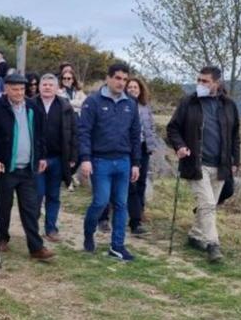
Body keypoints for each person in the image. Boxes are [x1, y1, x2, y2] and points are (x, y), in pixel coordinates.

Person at [166, 66, 241, 263]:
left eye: (205, 81)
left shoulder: (229, 106)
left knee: (209, 205)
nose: (200, 84)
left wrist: (235, 160)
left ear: (217, 83)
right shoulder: (188, 102)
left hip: (221, 165)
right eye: (199, 80)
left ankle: (195, 236)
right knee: (207, 204)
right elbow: (173, 128)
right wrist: (180, 146)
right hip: (196, 164)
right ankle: (213, 245)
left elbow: (235, 136)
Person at [0, 73, 55, 261]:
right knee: (3, 206)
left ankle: (36, 248)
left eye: (22, 89)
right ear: (6, 89)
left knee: (31, 209)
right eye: (15, 89)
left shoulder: (33, 107)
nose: (19, 93)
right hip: (5, 167)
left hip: (28, 169)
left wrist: (42, 156)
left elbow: (40, 135)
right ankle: (2, 237)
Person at [78, 63, 141, 262]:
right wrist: (85, 159)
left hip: (123, 160)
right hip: (100, 161)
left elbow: (135, 134)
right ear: (108, 78)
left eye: (124, 79)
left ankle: (117, 246)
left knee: (121, 205)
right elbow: (84, 132)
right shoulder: (93, 102)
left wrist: (136, 163)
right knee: (100, 201)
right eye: (117, 78)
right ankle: (88, 234)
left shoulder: (131, 104)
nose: (121, 82)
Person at [96, 76, 160, 236]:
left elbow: (151, 127)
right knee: (121, 185)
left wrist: (151, 146)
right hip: (125, 149)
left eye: (135, 88)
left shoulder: (145, 107)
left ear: (141, 90)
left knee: (140, 184)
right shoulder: (122, 105)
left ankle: (137, 216)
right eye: (129, 87)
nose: (132, 90)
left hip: (143, 149)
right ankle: (106, 218)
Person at [35, 74, 78, 242]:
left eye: (50, 85)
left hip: (58, 158)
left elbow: (74, 132)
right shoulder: (31, 104)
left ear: (56, 88)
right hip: (37, 159)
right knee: (37, 195)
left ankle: (51, 228)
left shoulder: (65, 106)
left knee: (53, 196)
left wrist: (73, 155)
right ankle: (32, 227)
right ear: (39, 87)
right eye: (44, 84)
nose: (47, 87)